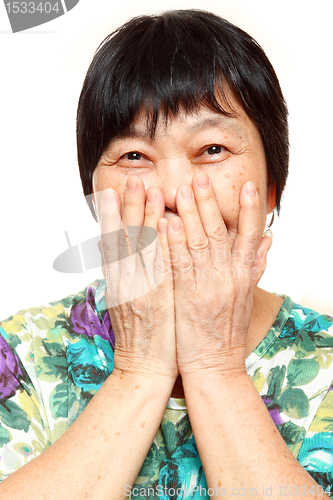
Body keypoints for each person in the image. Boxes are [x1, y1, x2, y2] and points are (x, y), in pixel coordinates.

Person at [0, 9, 332, 499]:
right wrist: (140, 369)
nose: (175, 192)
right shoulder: (22, 354)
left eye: (213, 149)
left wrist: (215, 368)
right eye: (134, 156)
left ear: (269, 192)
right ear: (95, 197)